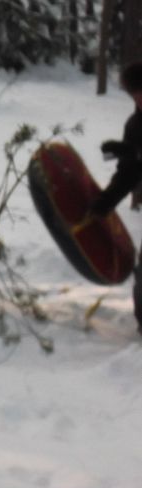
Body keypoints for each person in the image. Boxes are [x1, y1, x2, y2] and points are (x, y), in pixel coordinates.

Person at [89, 60, 142, 332]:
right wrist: (105, 202)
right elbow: (129, 174)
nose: (139, 99)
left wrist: (133, 153)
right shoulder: (136, 125)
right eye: (135, 95)